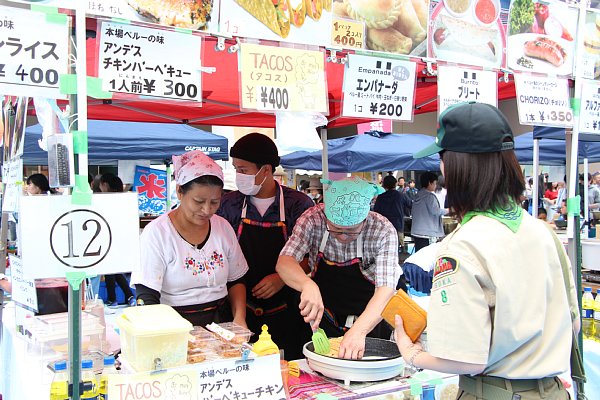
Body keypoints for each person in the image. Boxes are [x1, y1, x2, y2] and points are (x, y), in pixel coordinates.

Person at [394, 102, 577, 399]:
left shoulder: (463, 246)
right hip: (553, 391)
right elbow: (574, 324)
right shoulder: (544, 233)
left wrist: (410, 352)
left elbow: (465, 357)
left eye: (442, 159)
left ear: (455, 166)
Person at [276, 177, 401, 360]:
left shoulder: (382, 230)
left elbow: (386, 290)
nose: (342, 237)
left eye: (351, 231)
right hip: (323, 317)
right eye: (335, 229)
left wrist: (359, 331)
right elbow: (284, 262)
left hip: (369, 317)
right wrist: (307, 285)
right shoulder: (313, 219)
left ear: (365, 218)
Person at [217, 133, 314, 360]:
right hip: (238, 307)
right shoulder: (228, 204)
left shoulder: (298, 205)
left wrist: (282, 277)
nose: (238, 175)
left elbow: (314, 254)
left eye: (243, 170)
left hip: (288, 308)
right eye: (235, 169)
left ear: (266, 170)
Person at [131, 150, 248, 326]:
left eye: (214, 202)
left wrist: (239, 317)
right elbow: (146, 294)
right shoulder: (157, 233)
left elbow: (236, 280)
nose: (207, 210)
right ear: (179, 191)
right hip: (173, 326)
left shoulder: (223, 228)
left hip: (221, 323)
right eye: (199, 201)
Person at [99, 173, 136, 307]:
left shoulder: (106, 199)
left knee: (110, 268)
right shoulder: (125, 198)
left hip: (109, 236)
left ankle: (113, 299)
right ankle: (128, 296)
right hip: (121, 237)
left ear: (105, 184)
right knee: (114, 268)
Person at [410, 172, 448, 252]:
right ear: (429, 183)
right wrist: (449, 210)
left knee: (419, 255)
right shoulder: (429, 196)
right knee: (427, 255)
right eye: (434, 183)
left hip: (417, 231)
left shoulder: (418, 194)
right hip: (426, 232)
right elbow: (436, 211)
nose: (435, 185)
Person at [373, 175, 411, 252]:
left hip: (383, 226)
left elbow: (375, 211)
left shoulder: (380, 197)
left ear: (384, 185)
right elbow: (410, 204)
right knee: (396, 248)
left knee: (384, 247)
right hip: (397, 225)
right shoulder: (400, 195)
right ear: (395, 184)